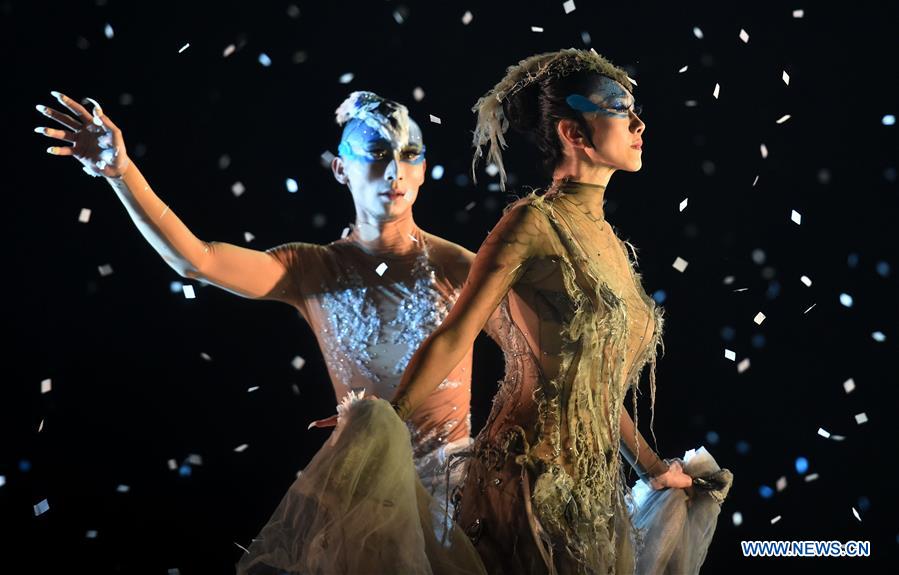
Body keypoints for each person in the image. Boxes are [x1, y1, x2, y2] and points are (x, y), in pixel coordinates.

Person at [34, 90, 494, 573]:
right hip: (362, 503)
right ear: (341, 169)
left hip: (455, 499)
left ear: (423, 169)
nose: (395, 171)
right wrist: (122, 172)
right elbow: (198, 260)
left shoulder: (461, 268)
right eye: (377, 154)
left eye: (408, 155)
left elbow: (536, 353)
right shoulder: (311, 269)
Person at [390, 48, 732, 574]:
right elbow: (455, 335)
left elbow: (593, 385)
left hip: (593, 495)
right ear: (574, 134)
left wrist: (651, 469)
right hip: (527, 481)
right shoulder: (531, 223)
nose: (639, 121)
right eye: (619, 108)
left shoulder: (612, 244)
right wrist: (382, 421)